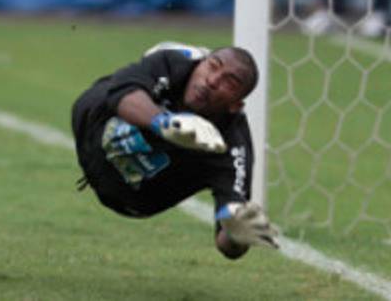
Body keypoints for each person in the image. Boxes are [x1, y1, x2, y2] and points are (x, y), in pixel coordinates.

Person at [70, 41, 279, 258]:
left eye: (230, 83)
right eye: (213, 66)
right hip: (90, 127)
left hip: (128, 199)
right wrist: (165, 124)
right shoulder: (172, 63)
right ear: (199, 63)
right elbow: (122, 93)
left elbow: (228, 244)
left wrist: (236, 235)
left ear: (235, 105)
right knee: (131, 88)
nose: (212, 81)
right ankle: (162, 111)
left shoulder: (231, 149)